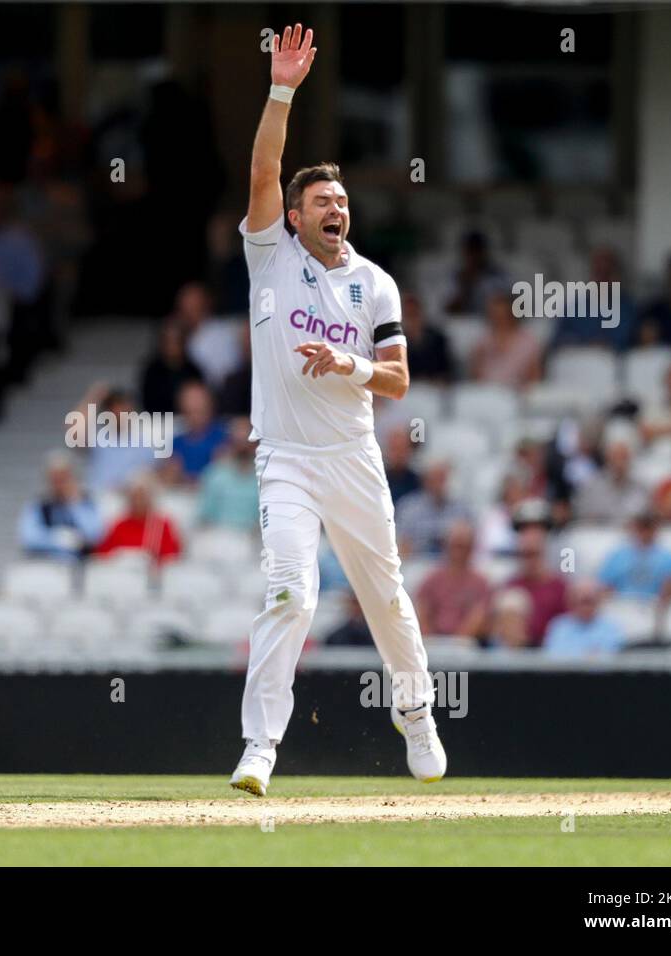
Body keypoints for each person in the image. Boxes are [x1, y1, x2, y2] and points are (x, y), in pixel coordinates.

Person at [229, 23, 445, 799]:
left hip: (352, 455)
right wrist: (282, 89)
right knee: (291, 592)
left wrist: (348, 363)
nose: (337, 208)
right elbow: (262, 168)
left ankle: (416, 711)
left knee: (383, 592)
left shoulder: (376, 285)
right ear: (292, 217)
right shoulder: (270, 256)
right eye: (321, 200)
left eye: (343, 200)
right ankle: (260, 747)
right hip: (284, 455)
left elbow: (397, 381)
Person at [414, 520, 491, 642]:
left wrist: (457, 642)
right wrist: (431, 642)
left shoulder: (480, 583)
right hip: (431, 644)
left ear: (471, 548)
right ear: (446, 546)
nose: (458, 552)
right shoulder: (431, 579)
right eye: (455, 545)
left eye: (463, 546)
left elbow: (479, 617)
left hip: (468, 647)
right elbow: (422, 611)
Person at [18, 452, 102, 561]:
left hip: (80, 564)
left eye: (63, 478)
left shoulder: (86, 503)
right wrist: (55, 539)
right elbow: (28, 538)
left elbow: (95, 534)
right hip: (47, 565)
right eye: (54, 479)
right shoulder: (39, 506)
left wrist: (74, 503)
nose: (59, 484)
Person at [93, 473, 182, 565]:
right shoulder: (119, 525)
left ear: (151, 498)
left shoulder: (161, 525)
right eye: (135, 497)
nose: (138, 501)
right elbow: (102, 555)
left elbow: (172, 557)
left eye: (142, 497)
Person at [504, 525, 568, 646]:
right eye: (524, 554)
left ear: (543, 552)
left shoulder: (559, 587)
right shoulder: (511, 585)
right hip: (517, 650)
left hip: (550, 650)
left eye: (533, 554)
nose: (529, 560)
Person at [394, 456, 470, 557]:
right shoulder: (408, 508)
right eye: (435, 478)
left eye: (442, 478)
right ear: (425, 480)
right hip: (416, 565)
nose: (439, 484)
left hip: (450, 564)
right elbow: (401, 545)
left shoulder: (461, 509)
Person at [598, 511, 671, 599]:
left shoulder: (668, 558)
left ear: (656, 529)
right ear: (633, 528)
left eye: (648, 528)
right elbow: (605, 585)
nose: (645, 533)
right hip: (622, 605)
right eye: (641, 528)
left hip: (655, 605)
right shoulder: (617, 556)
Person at [197, 418, 260, 532]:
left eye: (247, 442)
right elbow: (205, 514)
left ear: (255, 445)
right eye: (238, 442)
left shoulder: (264, 477)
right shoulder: (215, 473)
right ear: (230, 444)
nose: (243, 447)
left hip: (254, 537)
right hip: (220, 535)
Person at [573, 431, 649, 524]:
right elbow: (582, 519)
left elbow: (647, 521)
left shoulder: (641, 488)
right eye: (615, 457)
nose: (619, 463)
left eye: (623, 457)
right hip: (599, 536)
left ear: (630, 459)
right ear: (607, 458)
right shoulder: (591, 487)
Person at [469, 292, 542, 388]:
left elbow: (534, 376)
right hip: (486, 393)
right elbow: (475, 375)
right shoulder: (482, 341)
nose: (498, 319)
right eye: (494, 314)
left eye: (502, 314)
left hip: (517, 393)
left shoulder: (528, 341)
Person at [163, 381, 228, 485]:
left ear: (210, 406)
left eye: (199, 410)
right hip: (183, 495)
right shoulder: (176, 442)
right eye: (191, 411)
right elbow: (168, 477)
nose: (194, 404)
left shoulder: (224, 439)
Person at [543, 579, 626, 659]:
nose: (585, 607)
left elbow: (613, 660)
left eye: (589, 601)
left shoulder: (611, 628)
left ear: (598, 601)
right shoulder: (559, 626)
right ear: (571, 601)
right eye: (582, 601)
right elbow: (553, 658)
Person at [140, 319, 205, 414]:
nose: (172, 346)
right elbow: (148, 404)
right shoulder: (152, 372)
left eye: (176, 340)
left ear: (184, 342)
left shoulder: (193, 370)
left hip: (188, 423)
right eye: (168, 341)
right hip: (159, 423)